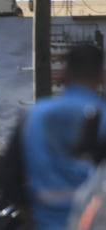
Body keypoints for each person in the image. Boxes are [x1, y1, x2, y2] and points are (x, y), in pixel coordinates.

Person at [20, 44, 106, 230]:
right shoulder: (102, 115)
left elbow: (8, 176)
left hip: (45, 223)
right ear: (101, 74)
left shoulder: (34, 115)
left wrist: (30, 216)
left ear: (64, 73)